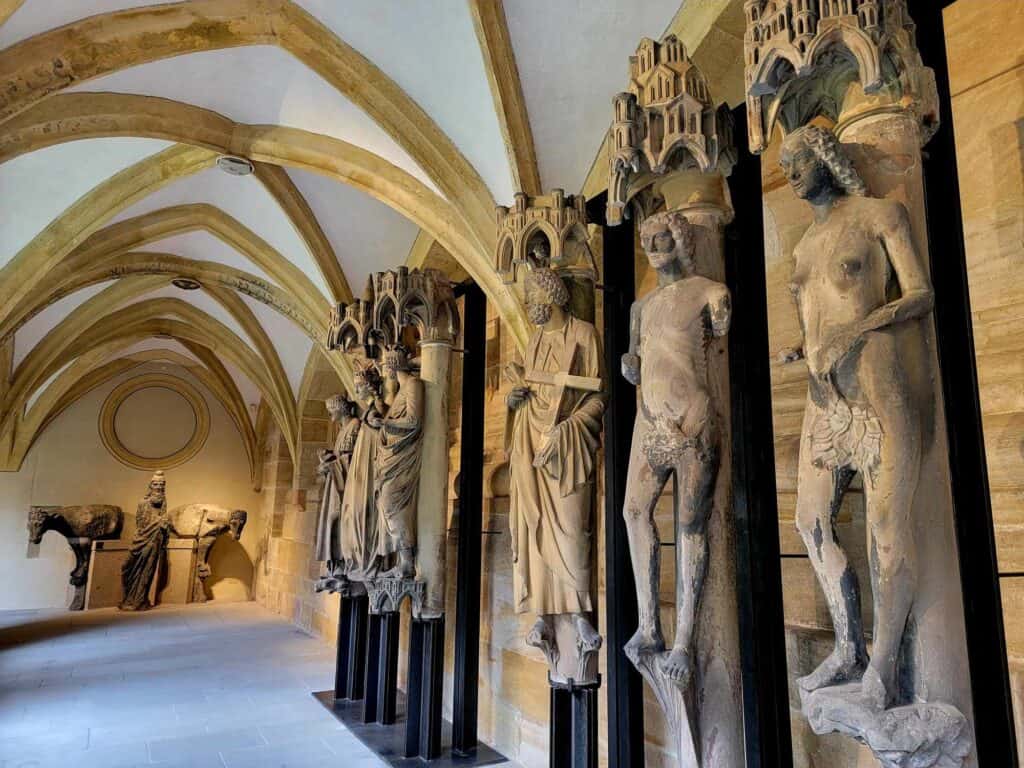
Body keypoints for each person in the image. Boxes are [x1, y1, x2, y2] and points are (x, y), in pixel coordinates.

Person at [779, 124, 935, 708]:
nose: (791, 174)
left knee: (889, 529)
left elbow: (919, 293)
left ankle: (884, 667)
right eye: (786, 165)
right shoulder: (802, 245)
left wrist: (858, 328)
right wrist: (805, 343)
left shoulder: (879, 214)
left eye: (798, 160)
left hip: (875, 379)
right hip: (824, 396)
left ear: (825, 156)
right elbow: (814, 309)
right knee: (809, 521)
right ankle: (848, 646)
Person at [621, 211, 731, 689]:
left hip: (692, 419)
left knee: (691, 524)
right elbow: (635, 358)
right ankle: (649, 623)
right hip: (649, 423)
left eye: (663, 236)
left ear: (681, 239)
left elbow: (719, 334)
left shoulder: (710, 291)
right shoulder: (640, 307)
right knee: (632, 511)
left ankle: (685, 639)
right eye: (647, 239)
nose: (654, 245)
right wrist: (631, 366)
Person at [506, 267, 605, 655]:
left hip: (567, 447)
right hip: (530, 443)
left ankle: (581, 612)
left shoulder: (584, 335)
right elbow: (528, 391)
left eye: (533, 299)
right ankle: (543, 615)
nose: (530, 307)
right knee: (535, 529)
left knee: (573, 526)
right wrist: (513, 402)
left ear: (551, 297)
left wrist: (568, 429)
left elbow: (598, 395)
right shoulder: (532, 342)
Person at [374, 346, 424, 579]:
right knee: (386, 506)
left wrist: (385, 425)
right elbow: (395, 419)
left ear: (393, 365)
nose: (385, 371)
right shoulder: (401, 391)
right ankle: (401, 560)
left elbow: (414, 421)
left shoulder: (413, 385)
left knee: (392, 504)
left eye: (386, 366)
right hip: (391, 457)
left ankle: (407, 562)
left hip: (403, 457)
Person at [314, 395, 361, 587]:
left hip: (346, 488)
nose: (331, 415)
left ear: (341, 408)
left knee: (338, 522)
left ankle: (343, 564)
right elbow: (341, 457)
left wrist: (330, 465)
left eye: (332, 410)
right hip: (335, 485)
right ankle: (335, 567)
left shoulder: (354, 426)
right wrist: (327, 461)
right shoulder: (342, 430)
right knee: (331, 523)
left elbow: (352, 462)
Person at [119, 470, 171, 611]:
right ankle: (127, 598)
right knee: (126, 567)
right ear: (151, 486)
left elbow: (164, 521)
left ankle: (140, 600)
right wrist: (157, 523)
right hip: (140, 540)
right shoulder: (143, 503)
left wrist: (163, 525)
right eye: (156, 484)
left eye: (162, 484)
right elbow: (140, 522)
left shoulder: (163, 502)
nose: (159, 487)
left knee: (147, 571)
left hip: (154, 541)